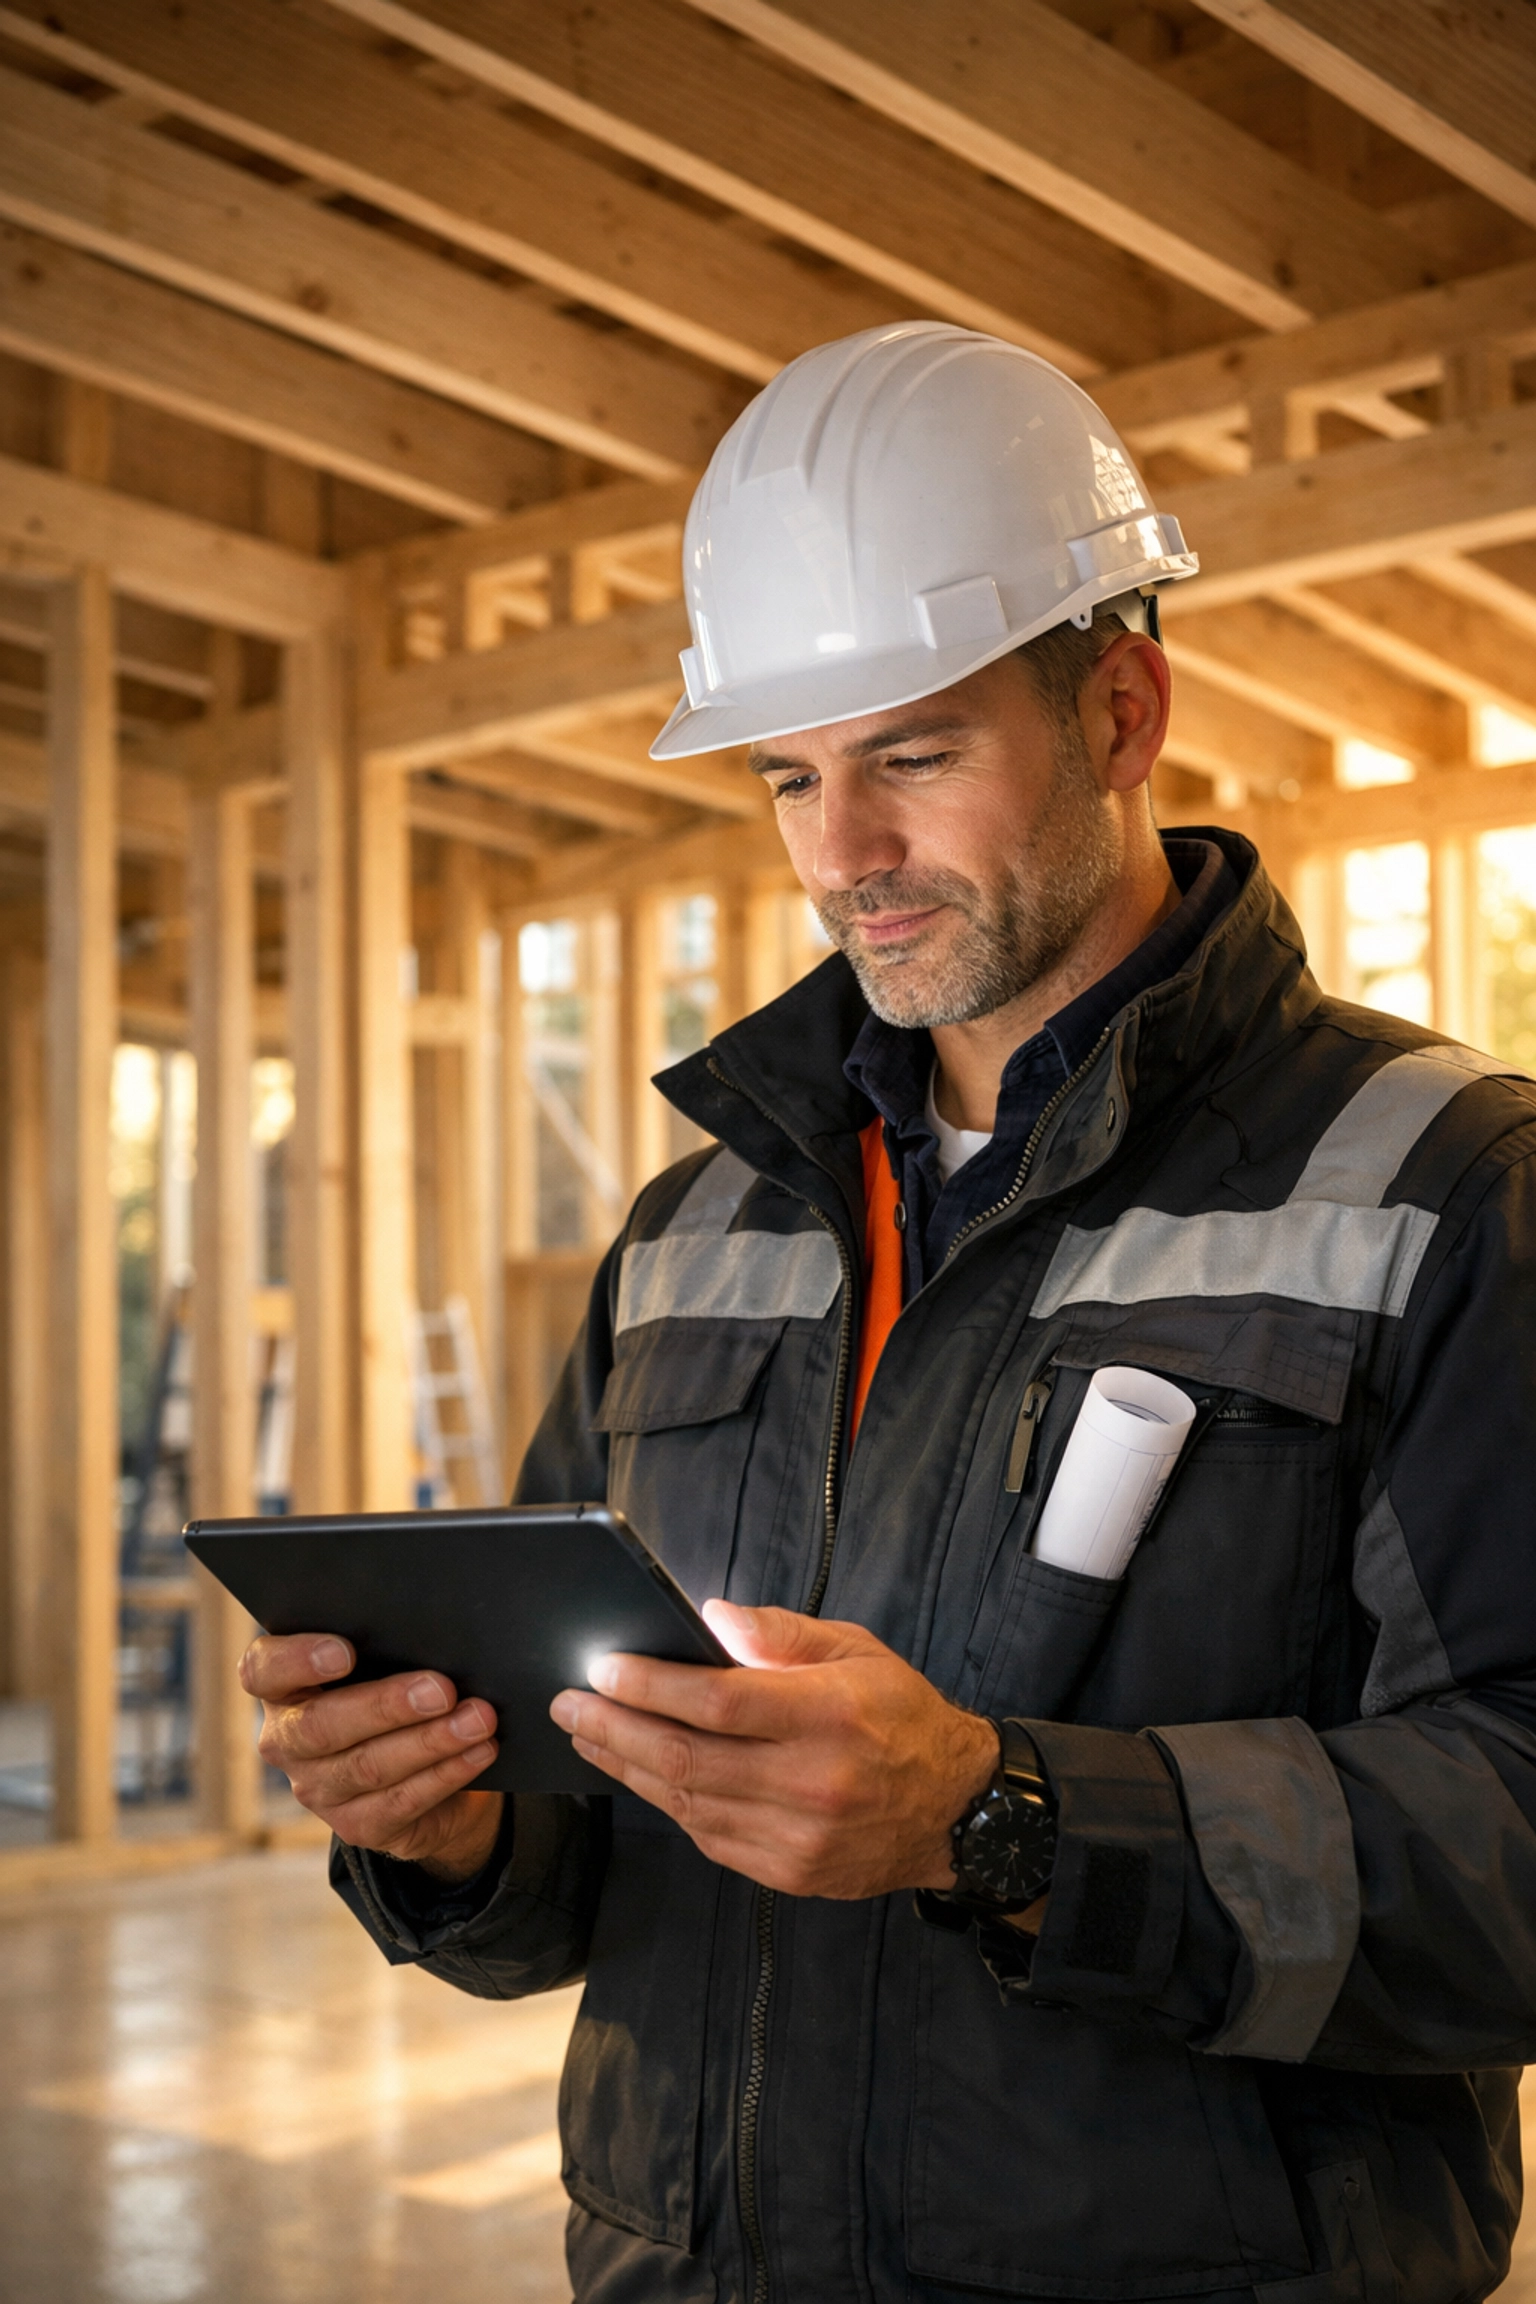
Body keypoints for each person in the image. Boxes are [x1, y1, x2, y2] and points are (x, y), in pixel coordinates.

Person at [246, 325, 1536, 2304]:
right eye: (789, 776)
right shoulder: (692, 1233)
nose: (844, 857)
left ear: (1122, 709)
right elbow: (571, 1882)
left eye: (915, 757)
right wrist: (449, 1824)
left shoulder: (1444, 1184)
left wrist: (1009, 1820)